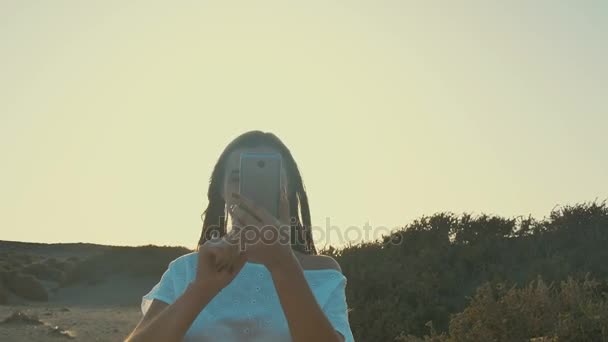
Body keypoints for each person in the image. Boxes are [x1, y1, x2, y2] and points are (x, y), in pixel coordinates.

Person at [126, 131, 355, 342]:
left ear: (289, 190)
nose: (248, 190)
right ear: (221, 191)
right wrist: (203, 287)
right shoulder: (185, 270)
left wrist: (283, 265)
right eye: (237, 178)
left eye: (272, 179)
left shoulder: (321, 272)